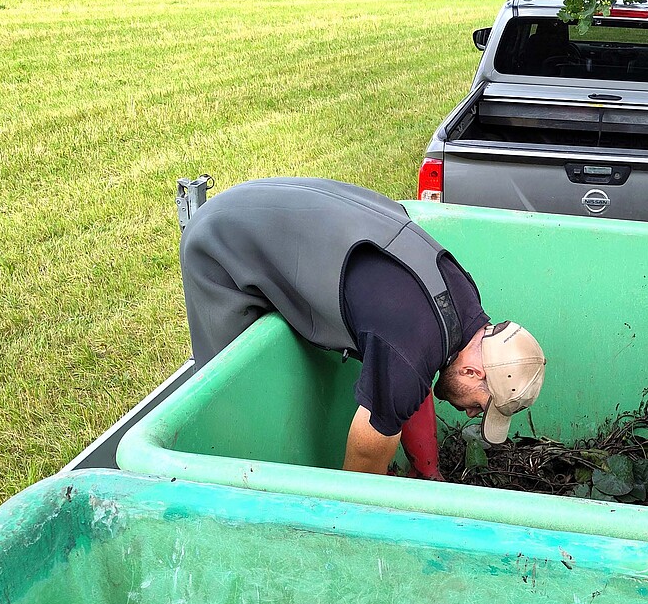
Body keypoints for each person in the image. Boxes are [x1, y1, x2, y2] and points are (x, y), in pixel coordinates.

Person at [178, 177, 546, 478]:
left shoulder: (465, 305)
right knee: (229, 401)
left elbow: (411, 381)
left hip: (279, 207)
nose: (469, 414)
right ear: (472, 370)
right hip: (220, 241)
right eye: (479, 406)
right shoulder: (410, 344)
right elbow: (364, 467)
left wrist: (429, 474)